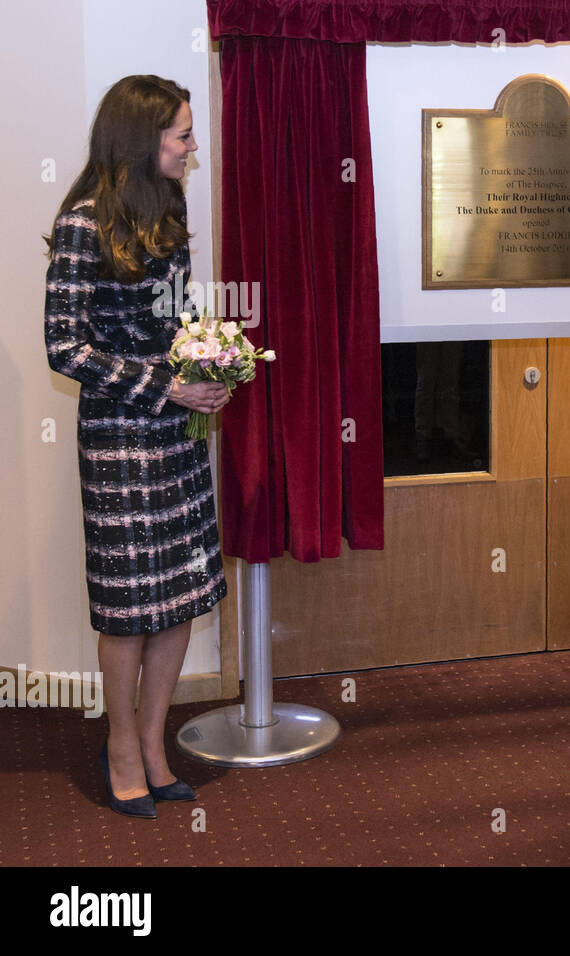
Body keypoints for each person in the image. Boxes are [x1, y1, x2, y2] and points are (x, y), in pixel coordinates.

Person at [45, 75, 230, 817]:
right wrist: (165, 386)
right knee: (129, 608)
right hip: (121, 439)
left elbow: (182, 321)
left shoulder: (171, 210)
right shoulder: (83, 225)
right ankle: (120, 746)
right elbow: (65, 347)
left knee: (180, 594)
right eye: (182, 135)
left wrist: (211, 367)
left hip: (179, 437)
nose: (192, 147)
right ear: (139, 139)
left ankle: (155, 743)